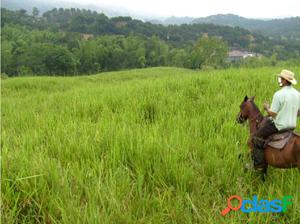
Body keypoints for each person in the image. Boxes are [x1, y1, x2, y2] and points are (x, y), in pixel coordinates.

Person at [252, 69, 300, 170]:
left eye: (281, 78)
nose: (280, 80)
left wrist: (266, 108)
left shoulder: (278, 94)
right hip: (291, 125)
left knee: (256, 137)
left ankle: (259, 166)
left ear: (286, 81)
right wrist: (289, 115)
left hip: (278, 126)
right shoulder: (297, 94)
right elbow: (299, 112)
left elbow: (273, 114)